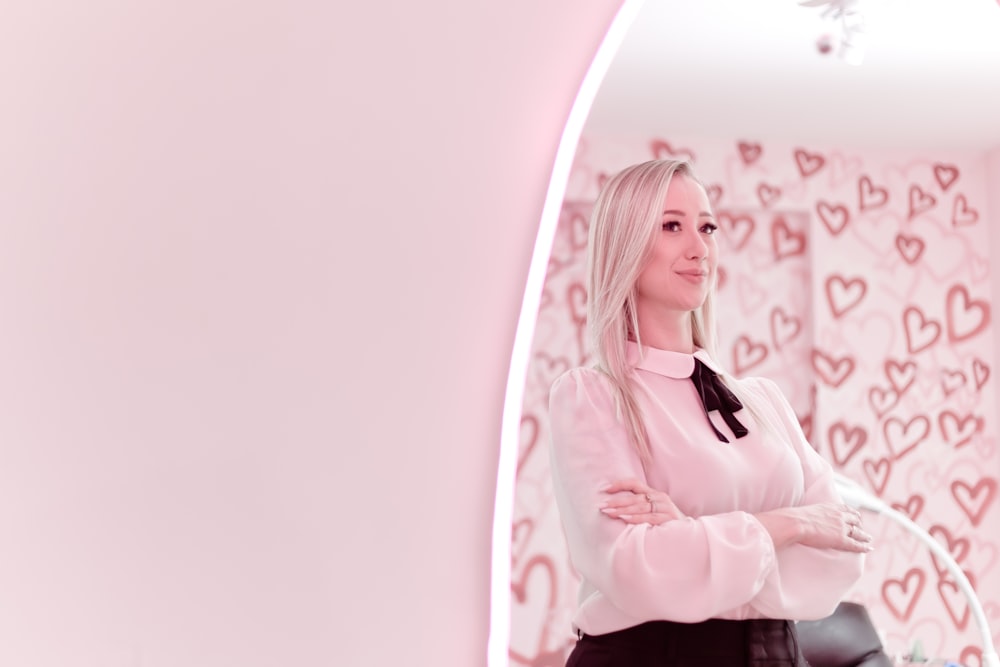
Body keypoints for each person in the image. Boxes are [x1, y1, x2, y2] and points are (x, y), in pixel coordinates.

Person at [548, 159, 871, 667]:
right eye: (672, 226)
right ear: (626, 243)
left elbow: (839, 555)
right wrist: (791, 524)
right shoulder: (592, 396)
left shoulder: (762, 400)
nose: (699, 248)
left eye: (707, 227)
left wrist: (694, 536)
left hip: (777, 654)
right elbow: (636, 569)